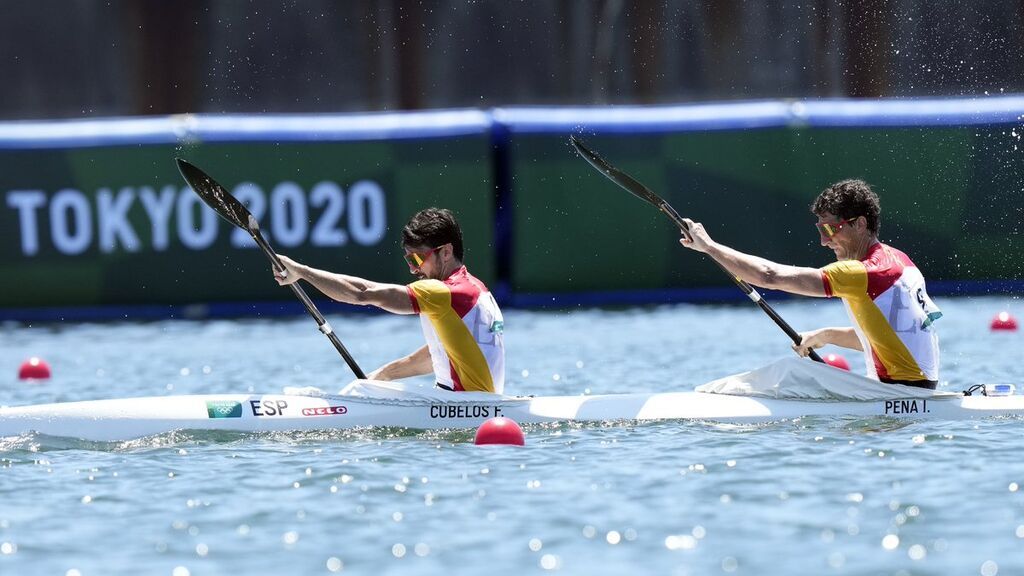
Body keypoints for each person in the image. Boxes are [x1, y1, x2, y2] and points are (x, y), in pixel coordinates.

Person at [678, 179, 941, 389]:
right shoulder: (901, 261)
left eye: (829, 230)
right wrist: (824, 335)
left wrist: (710, 247)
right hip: (916, 389)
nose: (824, 242)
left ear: (860, 224)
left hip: (897, 391)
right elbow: (890, 337)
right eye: (820, 231)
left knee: (790, 372)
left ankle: (705, 400)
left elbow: (769, 276)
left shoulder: (862, 273)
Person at [273, 207, 505, 393]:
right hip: (470, 403)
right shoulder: (478, 289)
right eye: (409, 260)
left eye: (417, 258)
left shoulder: (445, 293)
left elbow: (363, 293)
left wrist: (301, 271)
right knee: (363, 390)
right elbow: (438, 355)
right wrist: (382, 375)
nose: (414, 269)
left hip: (463, 406)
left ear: (445, 252)